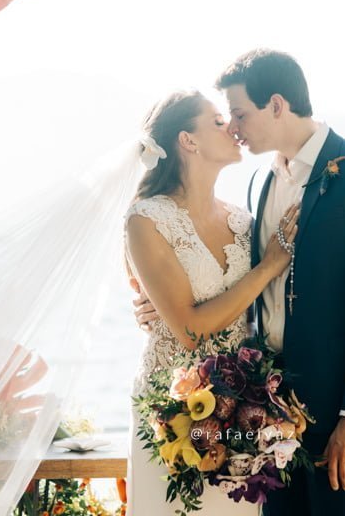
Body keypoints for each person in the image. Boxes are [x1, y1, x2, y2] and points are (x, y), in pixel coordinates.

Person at [132, 50, 345, 516]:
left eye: (240, 113)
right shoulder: (260, 185)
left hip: (339, 411)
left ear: (277, 105)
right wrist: (158, 309)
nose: (234, 127)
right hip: (263, 412)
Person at [124, 90, 301, 515]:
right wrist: (268, 267)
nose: (234, 129)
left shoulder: (243, 221)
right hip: (170, 412)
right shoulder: (146, 219)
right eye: (219, 122)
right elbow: (189, 332)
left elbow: (261, 310)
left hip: (241, 410)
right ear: (188, 141)